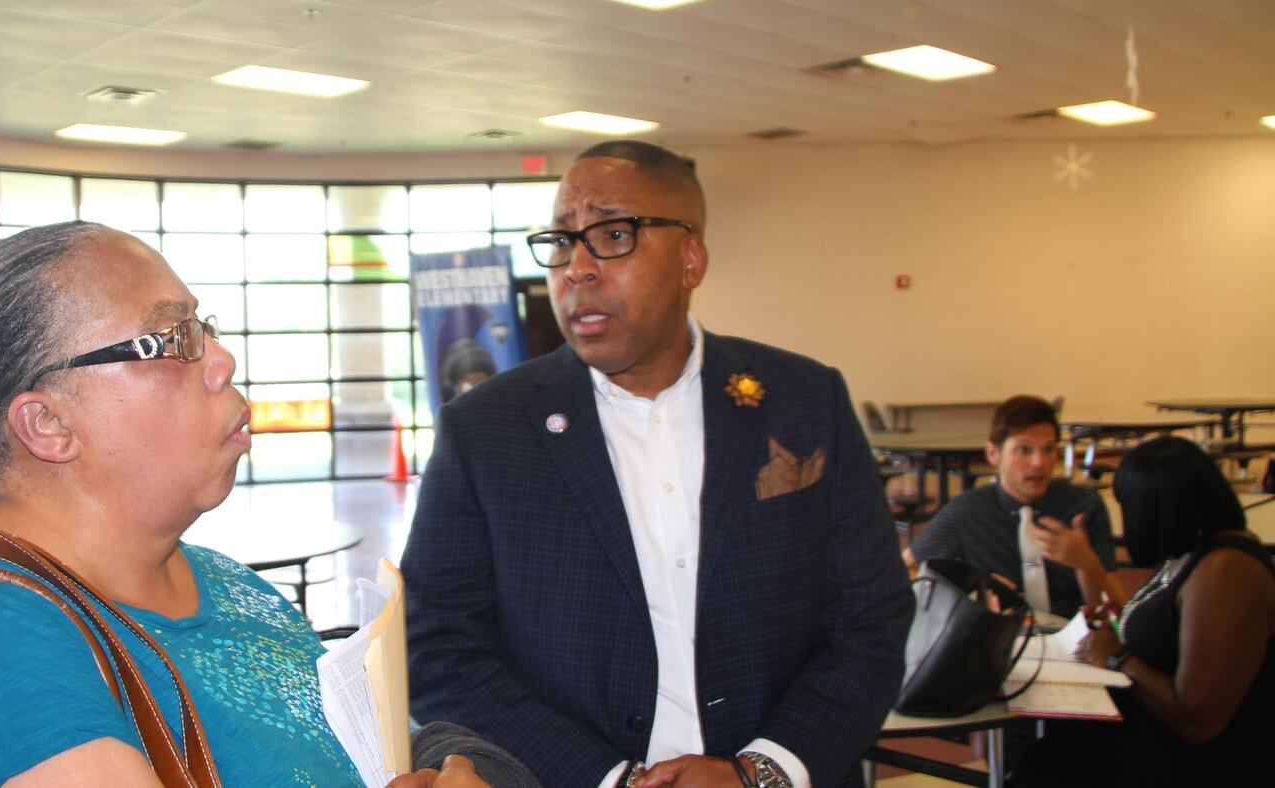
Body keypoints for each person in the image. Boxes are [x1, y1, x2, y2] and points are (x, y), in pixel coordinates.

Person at [0, 222, 520, 787]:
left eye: (203, 327)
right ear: (49, 425)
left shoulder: (227, 585)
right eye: (174, 338)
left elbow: (354, 743)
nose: (221, 359)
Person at [400, 141, 914, 788]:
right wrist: (609, 779)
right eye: (562, 241)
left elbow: (870, 620)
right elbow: (438, 647)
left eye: (613, 234)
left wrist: (762, 772)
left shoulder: (805, 401)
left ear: (690, 257)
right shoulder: (487, 429)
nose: (577, 269)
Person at [1009, 436, 1275, 784]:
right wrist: (1113, 625)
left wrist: (1119, 657)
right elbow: (1163, 639)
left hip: (1209, 760)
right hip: (1156, 738)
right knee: (1045, 744)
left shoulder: (1226, 571)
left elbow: (1196, 719)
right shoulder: (1192, 552)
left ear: (1160, 507)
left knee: (1053, 760)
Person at [905, 395, 1124, 622]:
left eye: (1048, 449)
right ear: (994, 454)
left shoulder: (1083, 506)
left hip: (1075, 639)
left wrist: (1086, 563)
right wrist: (967, 587)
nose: (1039, 462)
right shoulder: (968, 510)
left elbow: (1116, 612)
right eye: (1024, 450)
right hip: (1000, 638)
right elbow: (903, 571)